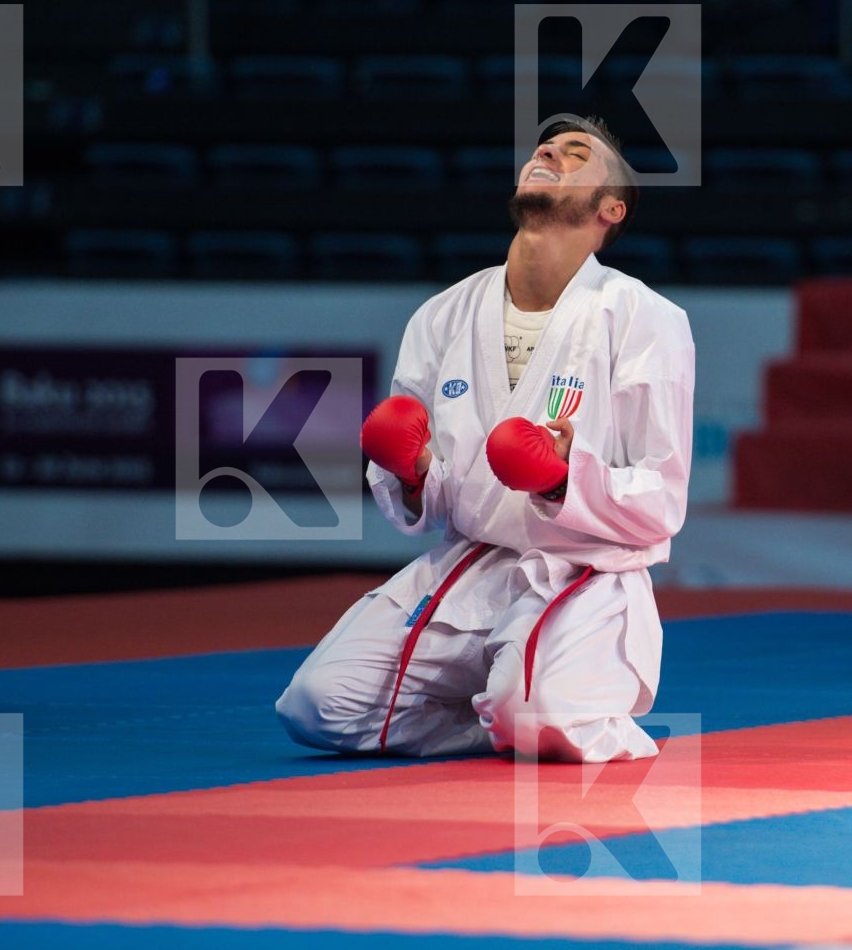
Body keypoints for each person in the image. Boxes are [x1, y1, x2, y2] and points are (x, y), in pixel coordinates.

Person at [275, 118, 695, 763]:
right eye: (546, 147)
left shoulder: (645, 319)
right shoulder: (444, 314)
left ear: (611, 208)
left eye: (578, 153)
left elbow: (661, 500)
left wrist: (560, 477)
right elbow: (433, 502)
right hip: (472, 565)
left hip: (584, 570)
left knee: (541, 720)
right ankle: (490, 724)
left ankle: (534, 708)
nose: (551, 152)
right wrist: (412, 472)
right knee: (320, 706)